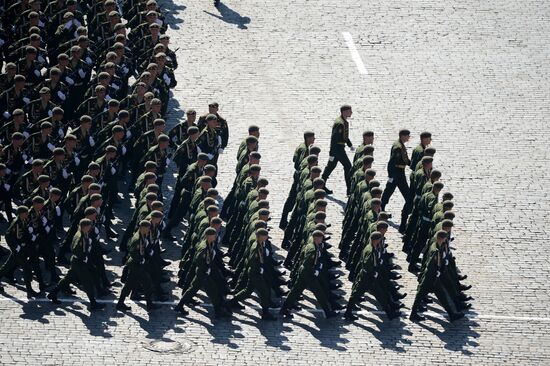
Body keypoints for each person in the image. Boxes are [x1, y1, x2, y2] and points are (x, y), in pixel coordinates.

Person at [47, 219, 106, 311]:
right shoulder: (82, 237)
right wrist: (83, 257)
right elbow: (76, 249)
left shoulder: (80, 233)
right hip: (80, 263)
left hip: (77, 261)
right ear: (85, 227)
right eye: (89, 226)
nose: (91, 228)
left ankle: (53, 293)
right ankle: (93, 303)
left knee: (68, 279)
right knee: (87, 282)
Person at [381, 129, 411, 232]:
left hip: (399, 172)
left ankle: (381, 207)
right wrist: (391, 175)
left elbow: (405, 159)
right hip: (397, 173)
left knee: (388, 191)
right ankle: (409, 210)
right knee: (407, 194)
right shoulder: (398, 147)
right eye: (407, 136)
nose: (408, 138)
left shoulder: (400, 144)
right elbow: (392, 162)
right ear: (402, 136)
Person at [322, 105, 353, 195]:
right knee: (348, 166)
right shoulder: (339, 123)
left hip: (339, 148)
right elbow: (334, 138)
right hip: (337, 149)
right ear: (344, 112)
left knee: (330, 167)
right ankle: (349, 189)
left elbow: (344, 135)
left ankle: (320, 185)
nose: (351, 112)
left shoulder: (343, 122)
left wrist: (349, 144)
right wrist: (332, 152)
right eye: (349, 111)